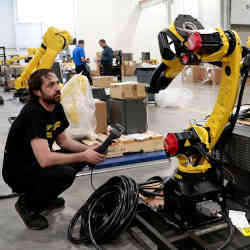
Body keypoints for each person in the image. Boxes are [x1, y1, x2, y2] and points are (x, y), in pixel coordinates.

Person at [2, 69, 105, 230]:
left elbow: (64, 141)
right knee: (65, 173)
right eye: (51, 85)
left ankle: (45, 198)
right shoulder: (33, 113)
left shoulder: (56, 107)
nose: (57, 88)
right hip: (17, 171)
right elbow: (45, 160)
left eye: (57, 83)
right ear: (37, 91)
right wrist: (83, 155)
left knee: (77, 158)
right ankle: (27, 205)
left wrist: (89, 150)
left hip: (36, 162)